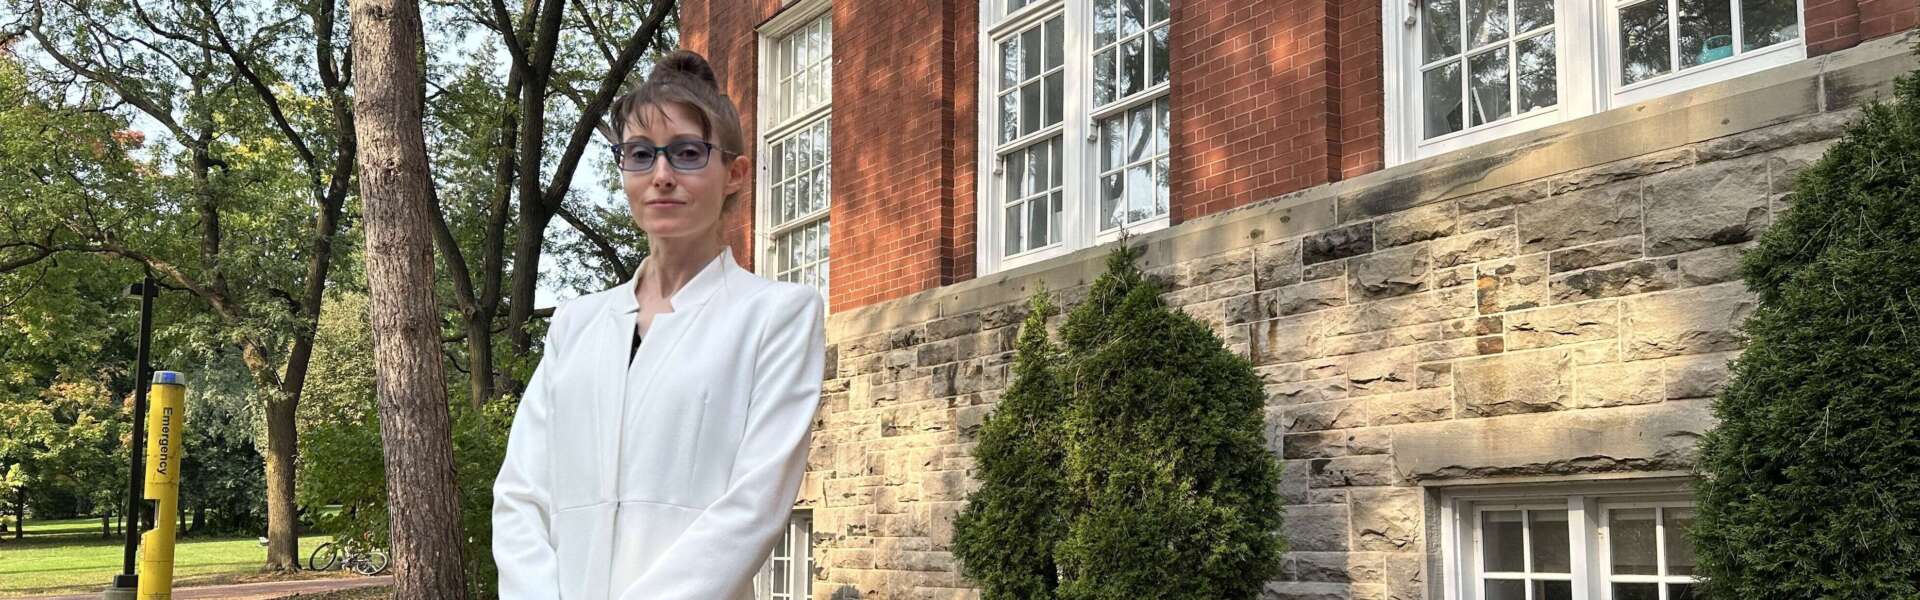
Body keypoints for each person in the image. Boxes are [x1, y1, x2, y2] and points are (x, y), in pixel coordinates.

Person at [491, 49, 827, 600]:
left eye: (688, 154)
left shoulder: (777, 316)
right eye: (641, 155)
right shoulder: (577, 324)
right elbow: (522, 495)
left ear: (735, 174)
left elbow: (753, 505)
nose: (662, 175)